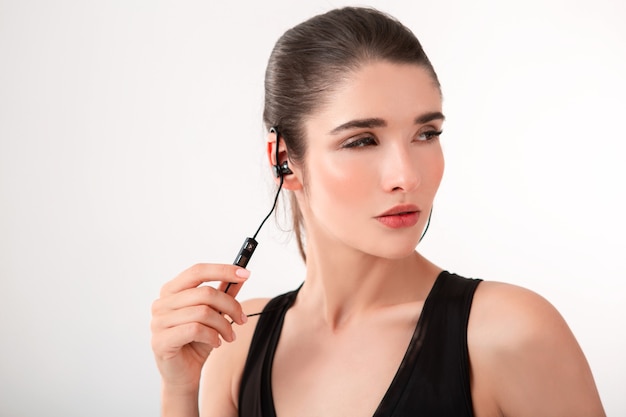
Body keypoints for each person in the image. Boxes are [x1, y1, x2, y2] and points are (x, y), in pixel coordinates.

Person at [150, 6, 606, 417]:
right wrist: (179, 391)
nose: (406, 176)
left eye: (426, 133)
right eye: (362, 140)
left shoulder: (508, 333)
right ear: (283, 159)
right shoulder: (237, 343)